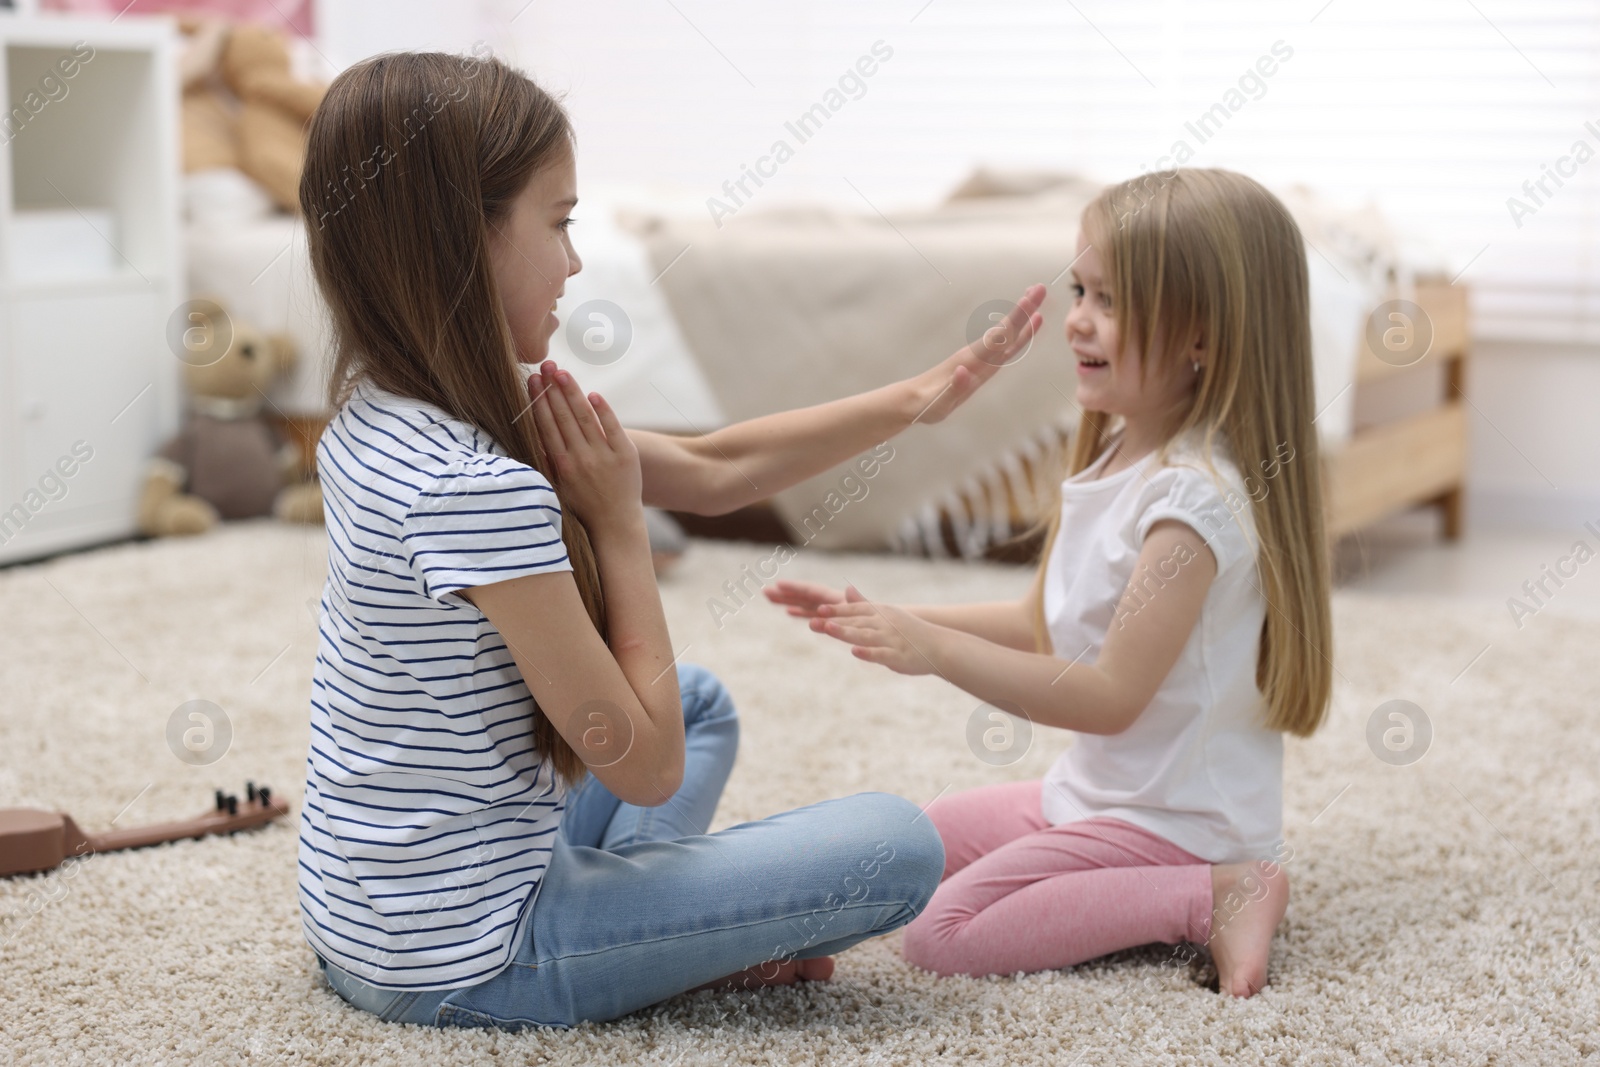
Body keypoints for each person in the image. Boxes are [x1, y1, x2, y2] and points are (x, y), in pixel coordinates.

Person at [295, 51, 1043, 1029]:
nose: (573, 261)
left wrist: (919, 399)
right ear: (461, 241)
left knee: (697, 701)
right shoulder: (475, 487)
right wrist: (617, 527)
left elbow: (719, 465)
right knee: (897, 845)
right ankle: (648, 943)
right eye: (558, 223)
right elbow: (642, 769)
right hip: (473, 952)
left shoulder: (386, 411)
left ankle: (651, 925)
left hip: (366, 909)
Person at [768, 168, 1331, 997]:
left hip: (1176, 826)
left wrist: (936, 652)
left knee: (939, 933)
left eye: (1111, 299)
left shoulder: (1192, 503)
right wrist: (892, 616)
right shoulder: (1121, 454)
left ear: (1203, 337)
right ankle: (795, 938)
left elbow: (1107, 694)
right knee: (904, 843)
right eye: (1081, 289)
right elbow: (1050, 623)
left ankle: (1214, 893)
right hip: (1095, 797)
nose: (1077, 320)